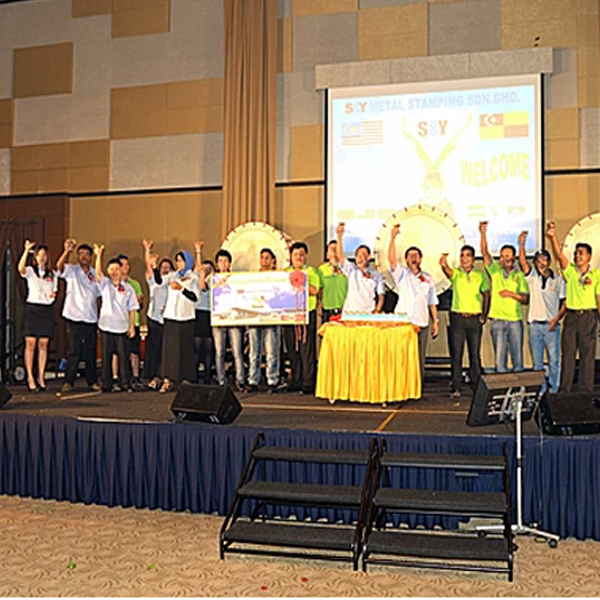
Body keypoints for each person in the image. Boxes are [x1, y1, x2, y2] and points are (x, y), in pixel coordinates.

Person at [546, 221, 600, 393]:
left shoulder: (596, 275)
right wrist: (553, 237)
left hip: (589, 317)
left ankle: (585, 392)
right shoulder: (570, 272)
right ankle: (565, 391)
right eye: (576, 253)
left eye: (581, 253)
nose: (577, 256)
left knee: (587, 356)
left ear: (589, 256)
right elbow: (560, 256)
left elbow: (599, 299)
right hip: (571, 317)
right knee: (568, 355)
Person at [388, 225, 438, 387]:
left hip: (422, 323)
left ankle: (417, 388)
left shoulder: (428, 278)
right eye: (410, 256)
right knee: (402, 357)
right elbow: (392, 260)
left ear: (421, 259)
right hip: (404, 323)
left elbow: (432, 302)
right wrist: (392, 237)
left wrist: (436, 321)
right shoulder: (402, 274)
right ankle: (402, 387)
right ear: (406, 260)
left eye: (416, 256)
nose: (413, 258)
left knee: (419, 358)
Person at [518, 231, 566, 394]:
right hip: (535, 326)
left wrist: (556, 320)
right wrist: (522, 244)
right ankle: (541, 390)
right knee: (537, 362)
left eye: (544, 260)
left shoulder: (558, 280)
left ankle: (554, 390)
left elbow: (564, 303)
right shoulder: (532, 277)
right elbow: (523, 263)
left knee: (554, 360)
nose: (541, 263)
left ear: (549, 262)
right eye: (538, 260)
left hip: (551, 326)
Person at [439, 245, 490, 398]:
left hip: (474, 319)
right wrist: (444, 263)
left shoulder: (480, 275)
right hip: (458, 319)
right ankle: (456, 387)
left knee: (475, 355)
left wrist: (484, 315)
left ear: (473, 258)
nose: (464, 258)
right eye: (462, 255)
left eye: (468, 255)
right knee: (457, 354)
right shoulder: (457, 274)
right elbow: (447, 271)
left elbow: (487, 295)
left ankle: (477, 388)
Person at [479, 221, 529, 373]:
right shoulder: (495, 271)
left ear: (513, 257)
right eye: (502, 256)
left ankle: (518, 387)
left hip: (515, 321)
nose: (504, 258)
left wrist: (511, 294)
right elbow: (485, 253)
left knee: (517, 360)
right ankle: (502, 387)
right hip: (497, 321)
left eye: (507, 255)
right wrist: (483, 233)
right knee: (500, 362)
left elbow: (526, 299)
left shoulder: (519, 275)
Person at [56, 239, 101, 394]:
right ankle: (68, 381)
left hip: (90, 317)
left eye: (87, 254)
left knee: (90, 351)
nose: (84, 257)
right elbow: (58, 267)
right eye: (81, 254)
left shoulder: (95, 273)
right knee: (73, 350)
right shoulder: (72, 270)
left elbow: (101, 290)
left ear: (91, 257)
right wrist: (66, 250)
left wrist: (100, 255)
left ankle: (92, 381)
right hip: (73, 316)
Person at [94, 244, 138, 393]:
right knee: (106, 356)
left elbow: (132, 308)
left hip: (122, 327)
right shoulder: (105, 285)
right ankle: (106, 384)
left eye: (117, 269)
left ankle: (125, 383)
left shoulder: (128, 288)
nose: (114, 272)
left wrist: (132, 326)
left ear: (121, 270)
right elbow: (98, 274)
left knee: (123, 356)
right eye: (111, 269)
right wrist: (99, 255)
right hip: (106, 326)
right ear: (108, 271)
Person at [156, 249, 200, 393]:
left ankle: (186, 379)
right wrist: (155, 267)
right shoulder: (172, 275)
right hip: (171, 317)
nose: (178, 263)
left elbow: (195, 297)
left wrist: (181, 288)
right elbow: (159, 281)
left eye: (181, 260)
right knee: (169, 351)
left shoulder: (193, 277)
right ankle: (168, 379)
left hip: (186, 317)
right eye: (177, 261)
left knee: (185, 349)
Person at [18, 240, 58, 392]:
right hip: (32, 309)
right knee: (30, 344)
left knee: (44, 344)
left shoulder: (52, 274)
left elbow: (55, 291)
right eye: (39, 255)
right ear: (35, 257)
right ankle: (30, 377)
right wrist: (26, 251)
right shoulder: (30, 271)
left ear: (47, 257)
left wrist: (53, 295)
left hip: (46, 309)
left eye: (44, 255)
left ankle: (41, 377)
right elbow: (20, 269)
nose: (42, 258)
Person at [283, 241, 321, 394]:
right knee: (292, 349)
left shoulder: (311, 272)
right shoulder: (285, 273)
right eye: (296, 254)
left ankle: (308, 383)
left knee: (307, 350)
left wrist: (300, 281)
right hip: (289, 314)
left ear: (306, 256)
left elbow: (315, 290)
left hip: (306, 313)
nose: (299, 257)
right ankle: (296, 380)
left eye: (301, 254)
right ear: (291, 257)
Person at [247, 248, 283, 393]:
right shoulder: (254, 277)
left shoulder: (278, 277)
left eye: (267, 257)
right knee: (254, 352)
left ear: (273, 260)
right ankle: (253, 380)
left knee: (272, 351)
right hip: (255, 317)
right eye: (262, 257)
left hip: (271, 317)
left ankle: (272, 380)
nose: (264, 260)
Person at [142, 239, 174, 389]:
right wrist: (147, 250)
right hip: (154, 318)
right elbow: (148, 267)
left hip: (169, 319)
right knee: (154, 349)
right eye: (163, 267)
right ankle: (154, 377)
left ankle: (166, 377)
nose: (165, 269)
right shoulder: (154, 281)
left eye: (168, 267)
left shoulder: (173, 280)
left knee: (166, 351)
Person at [212, 249, 246, 391]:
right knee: (219, 351)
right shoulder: (213, 278)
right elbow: (204, 288)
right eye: (220, 261)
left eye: (226, 261)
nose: (223, 263)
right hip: (218, 319)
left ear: (230, 263)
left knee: (237, 351)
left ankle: (240, 380)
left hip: (233, 319)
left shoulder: (236, 279)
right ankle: (221, 379)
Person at [335, 223, 385, 315]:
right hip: (350, 312)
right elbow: (340, 255)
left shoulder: (377, 275)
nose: (360, 258)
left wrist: (377, 310)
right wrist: (339, 236)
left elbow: (381, 295)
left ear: (369, 257)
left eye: (363, 255)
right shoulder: (351, 269)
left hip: (368, 312)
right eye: (358, 255)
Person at [115, 254, 144, 389]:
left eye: (127, 265)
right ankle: (116, 377)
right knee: (117, 352)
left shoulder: (134, 284)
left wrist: (138, 300)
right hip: (118, 322)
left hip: (133, 322)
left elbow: (139, 303)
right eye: (122, 265)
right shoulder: (113, 284)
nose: (125, 267)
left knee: (134, 351)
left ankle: (136, 376)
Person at [193, 241, 215, 385]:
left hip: (209, 314)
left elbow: (204, 286)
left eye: (209, 268)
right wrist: (198, 251)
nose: (205, 269)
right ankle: (195, 375)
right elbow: (197, 268)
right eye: (204, 267)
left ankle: (208, 375)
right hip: (198, 313)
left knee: (208, 347)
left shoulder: (213, 280)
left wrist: (205, 274)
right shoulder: (197, 278)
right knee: (196, 347)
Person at [317, 240, 348, 323]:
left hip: (344, 309)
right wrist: (319, 304)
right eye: (331, 249)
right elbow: (320, 289)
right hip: (327, 309)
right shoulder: (321, 269)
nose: (334, 250)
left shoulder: (347, 268)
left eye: (336, 248)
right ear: (327, 254)